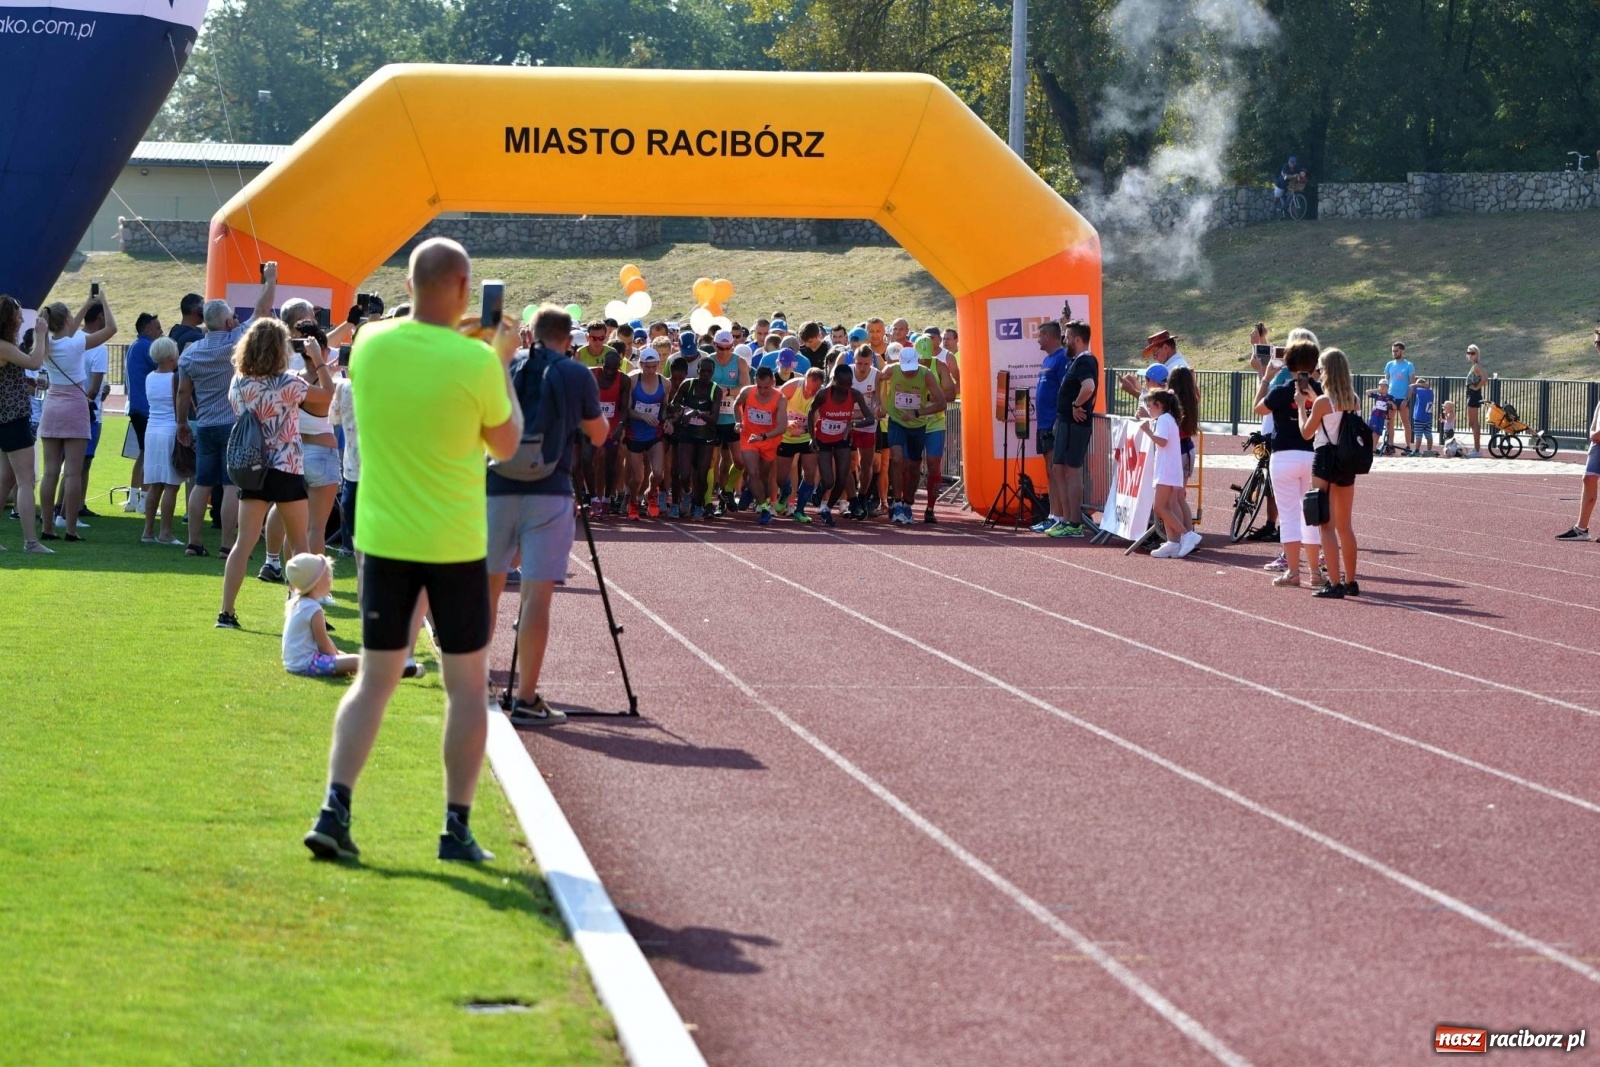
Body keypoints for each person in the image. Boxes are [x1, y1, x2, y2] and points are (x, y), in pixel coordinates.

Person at [304, 236, 523, 864]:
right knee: (465, 687)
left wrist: (464, 327)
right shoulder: (476, 361)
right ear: (463, 286)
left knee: (374, 680)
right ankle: (455, 827)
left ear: (406, 287)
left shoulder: (371, 344)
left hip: (383, 537)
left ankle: (335, 807)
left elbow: (413, 330)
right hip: (453, 542)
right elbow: (507, 446)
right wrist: (500, 357)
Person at [486, 304, 607, 724]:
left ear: (530, 334)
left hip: (497, 485)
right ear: (568, 337)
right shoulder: (575, 373)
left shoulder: (504, 364)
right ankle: (527, 698)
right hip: (551, 489)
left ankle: (474, 681)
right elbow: (599, 433)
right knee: (536, 598)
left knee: (487, 589)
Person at [216, 318, 335, 629]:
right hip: (286, 467)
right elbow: (326, 394)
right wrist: (318, 359)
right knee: (300, 546)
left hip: (251, 466)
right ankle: (306, 612)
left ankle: (226, 612)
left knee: (244, 543)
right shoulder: (289, 382)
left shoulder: (239, 383)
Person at [177, 269, 278, 556]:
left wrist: (182, 422)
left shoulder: (190, 353)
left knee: (201, 483)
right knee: (231, 486)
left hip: (205, 423)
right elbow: (261, 310)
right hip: (234, 424)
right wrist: (270, 280)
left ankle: (193, 543)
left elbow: (184, 392)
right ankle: (225, 545)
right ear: (227, 320)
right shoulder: (235, 340)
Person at [36, 291, 117, 543]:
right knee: (72, 473)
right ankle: (71, 529)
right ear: (68, 321)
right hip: (75, 406)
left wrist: (85, 305)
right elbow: (111, 329)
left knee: (50, 473)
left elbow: (66, 332)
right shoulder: (76, 342)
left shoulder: (47, 345)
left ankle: (47, 527)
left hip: (52, 405)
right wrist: (102, 300)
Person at [1254, 329, 1323, 588]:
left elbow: (1259, 408)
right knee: (1312, 515)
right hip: (1311, 455)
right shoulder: (1318, 389)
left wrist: (1266, 378)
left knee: (1290, 515)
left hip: (1283, 455)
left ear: (1288, 362)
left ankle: (1293, 572)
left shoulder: (1282, 389)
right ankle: (1315, 572)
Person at [1298, 346, 1361, 598]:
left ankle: (1333, 583)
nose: (1319, 372)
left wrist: (1302, 406)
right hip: (1347, 460)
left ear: (1328, 372)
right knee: (1345, 525)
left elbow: (1306, 432)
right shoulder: (1353, 399)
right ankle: (1351, 581)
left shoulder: (1323, 402)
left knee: (1325, 523)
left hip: (1325, 459)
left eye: (1321, 369)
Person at [0, 295, 50, 553]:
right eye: (18, 316)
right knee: (26, 480)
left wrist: (28, 385)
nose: (22, 320)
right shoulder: (3, 346)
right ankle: (31, 542)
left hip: (7, 418)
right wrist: (41, 334)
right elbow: (35, 362)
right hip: (12, 419)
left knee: (5, 479)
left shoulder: (7, 345)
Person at [880, 343, 945, 525]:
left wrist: (917, 413)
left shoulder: (926, 374)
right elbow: (878, 378)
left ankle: (908, 503)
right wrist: (880, 403)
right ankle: (897, 502)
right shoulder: (892, 370)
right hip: (897, 421)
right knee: (897, 459)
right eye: (906, 369)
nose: (909, 373)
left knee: (914, 467)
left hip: (917, 425)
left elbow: (942, 403)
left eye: (912, 369)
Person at [1045, 320, 1098, 538]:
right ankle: (1066, 519)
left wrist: (1076, 405)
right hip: (1066, 422)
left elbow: (1089, 387)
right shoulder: (1076, 360)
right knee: (1058, 469)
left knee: (1071, 470)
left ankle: (1074, 522)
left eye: (1067, 337)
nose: (1064, 340)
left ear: (1076, 339)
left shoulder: (1085, 361)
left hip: (1076, 424)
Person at [808, 360, 876, 527]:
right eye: (843, 384)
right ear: (835, 381)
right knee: (829, 481)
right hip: (823, 440)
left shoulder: (855, 394)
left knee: (842, 476)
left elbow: (870, 418)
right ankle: (820, 489)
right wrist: (812, 437)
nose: (847, 387)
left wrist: (853, 424)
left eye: (849, 383)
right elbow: (811, 412)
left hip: (842, 440)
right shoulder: (824, 394)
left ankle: (827, 509)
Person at [282, 553, 362, 677]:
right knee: (357, 661)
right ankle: (383, 674)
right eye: (327, 576)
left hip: (294, 663)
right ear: (316, 583)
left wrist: (339, 656)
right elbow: (323, 643)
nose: (331, 579)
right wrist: (336, 659)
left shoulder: (300, 603)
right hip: (306, 664)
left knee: (345, 656)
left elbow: (325, 640)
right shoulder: (313, 608)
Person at [138, 338, 184, 545]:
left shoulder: (149, 377)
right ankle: (165, 532)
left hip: (152, 430)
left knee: (155, 484)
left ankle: (148, 530)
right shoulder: (175, 378)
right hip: (169, 429)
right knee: (171, 485)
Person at [1555, 329, 1600, 541]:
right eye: (1596, 341)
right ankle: (1581, 529)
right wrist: (1594, 428)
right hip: (1598, 437)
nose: (1597, 345)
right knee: (1588, 478)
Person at [1141, 389, 1192, 558]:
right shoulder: (1168, 418)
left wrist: (1147, 431)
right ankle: (1173, 542)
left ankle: (1186, 535)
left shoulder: (1163, 419)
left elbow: (1162, 441)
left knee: (1160, 507)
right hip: (1170, 468)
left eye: (1150, 406)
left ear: (1159, 405)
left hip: (1167, 469)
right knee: (1168, 505)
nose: (1148, 409)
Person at [734, 365, 788, 525]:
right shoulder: (747, 392)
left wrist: (763, 436)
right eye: (759, 386)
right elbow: (737, 404)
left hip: (768, 440)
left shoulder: (780, 398)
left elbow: (782, 427)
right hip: (749, 437)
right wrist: (738, 422)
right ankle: (764, 509)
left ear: (773, 382)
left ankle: (750, 490)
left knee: (763, 477)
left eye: (766, 387)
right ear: (754, 382)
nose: (763, 391)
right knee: (753, 471)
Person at [669, 355, 720, 519]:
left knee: (702, 474)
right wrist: (683, 411)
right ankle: (688, 493)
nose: (705, 374)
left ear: (712, 373)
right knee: (683, 475)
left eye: (709, 372)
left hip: (706, 436)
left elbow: (714, 418)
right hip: (687, 434)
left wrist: (696, 412)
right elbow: (673, 405)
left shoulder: (715, 390)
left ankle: (698, 505)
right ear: (697, 371)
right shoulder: (687, 385)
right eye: (702, 371)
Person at [914, 334, 957, 524]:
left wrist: (932, 397)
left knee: (933, 465)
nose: (923, 361)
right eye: (920, 357)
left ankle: (930, 508)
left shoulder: (940, 366)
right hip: (913, 422)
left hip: (934, 423)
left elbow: (951, 393)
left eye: (926, 357)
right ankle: (905, 502)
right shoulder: (907, 365)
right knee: (911, 465)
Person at [1031, 321, 1069, 531]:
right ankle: (1053, 514)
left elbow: (1066, 389)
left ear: (1048, 336)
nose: (1038, 340)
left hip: (1054, 422)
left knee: (1056, 470)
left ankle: (1062, 517)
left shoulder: (1062, 357)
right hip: (1043, 423)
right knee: (1049, 470)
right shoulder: (1047, 359)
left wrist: (1058, 419)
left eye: (1040, 336)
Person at [123, 311, 163, 513]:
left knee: (143, 453)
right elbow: (164, 364)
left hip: (137, 407)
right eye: (157, 328)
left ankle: (133, 500)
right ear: (147, 329)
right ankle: (144, 502)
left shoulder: (135, 346)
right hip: (146, 408)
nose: (161, 331)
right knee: (149, 455)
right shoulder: (147, 347)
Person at [624, 344, 667, 519]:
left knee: (658, 473)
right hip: (634, 432)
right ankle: (633, 501)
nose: (650, 370)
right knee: (637, 478)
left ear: (658, 364)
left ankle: (651, 494)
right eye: (647, 367)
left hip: (654, 433)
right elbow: (626, 410)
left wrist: (668, 421)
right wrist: (642, 416)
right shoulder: (633, 380)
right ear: (640, 364)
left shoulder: (665, 383)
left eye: (654, 366)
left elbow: (664, 409)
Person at [779, 367, 823, 523]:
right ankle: (786, 492)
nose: (811, 392)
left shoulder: (821, 395)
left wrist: (804, 428)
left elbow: (820, 420)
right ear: (804, 379)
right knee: (780, 477)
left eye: (815, 390)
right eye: (809, 388)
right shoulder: (791, 387)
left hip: (806, 437)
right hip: (786, 437)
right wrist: (787, 422)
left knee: (810, 472)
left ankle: (799, 510)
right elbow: (775, 407)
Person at [590, 348, 629, 516]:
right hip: (592, 426)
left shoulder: (624, 380)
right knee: (594, 462)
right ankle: (594, 498)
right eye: (607, 368)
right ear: (602, 365)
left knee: (610, 464)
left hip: (612, 427)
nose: (610, 372)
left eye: (614, 369)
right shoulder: (591, 374)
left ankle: (607, 498)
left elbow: (625, 408)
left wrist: (621, 424)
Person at [847, 341, 882, 519]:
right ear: (854, 360)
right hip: (847, 423)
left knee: (866, 463)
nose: (862, 367)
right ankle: (852, 500)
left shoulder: (876, 375)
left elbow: (879, 401)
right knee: (845, 462)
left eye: (866, 364)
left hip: (867, 425)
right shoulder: (848, 372)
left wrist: (877, 410)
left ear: (872, 363)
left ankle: (862, 497)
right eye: (859, 363)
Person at [1384, 341, 1415, 453]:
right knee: (1390, 422)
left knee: (1405, 422)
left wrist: (1407, 399)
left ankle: (1407, 447)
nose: (1394, 353)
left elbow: (1412, 385)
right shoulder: (1389, 365)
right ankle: (1390, 445)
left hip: (1403, 398)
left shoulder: (1408, 365)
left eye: (1396, 351)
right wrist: (1386, 397)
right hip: (1391, 397)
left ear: (1402, 351)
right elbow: (1385, 382)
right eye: (1393, 351)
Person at [1464, 344, 1487, 457]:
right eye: (1468, 353)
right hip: (1471, 394)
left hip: (1474, 394)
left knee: (1474, 423)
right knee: (1472, 422)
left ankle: (1477, 449)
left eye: (1472, 353)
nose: (1470, 355)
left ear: (1477, 354)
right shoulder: (1474, 366)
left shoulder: (1477, 366)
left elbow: (1485, 378)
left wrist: (1476, 388)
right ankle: (1476, 448)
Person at [1365, 380, 1392, 454]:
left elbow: (1395, 407)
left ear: (1387, 388)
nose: (1382, 388)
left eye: (1384, 387)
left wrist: (1391, 403)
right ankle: (1372, 448)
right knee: (1373, 431)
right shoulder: (1377, 395)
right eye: (1381, 386)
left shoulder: (1390, 397)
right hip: (1374, 416)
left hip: (1382, 417)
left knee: (1378, 433)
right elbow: (1367, 392)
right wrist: (1378, 390)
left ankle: (1374, 447)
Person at [1411, 376, 1435, 455]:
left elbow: (1411, 386)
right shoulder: (1431, 392)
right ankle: (1429, 450)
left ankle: (1417, 450)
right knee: (1429, 435)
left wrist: (1416, 383)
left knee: (1418, 435)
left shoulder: (1420, 391)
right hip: (1428, 418)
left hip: (1419, 417)